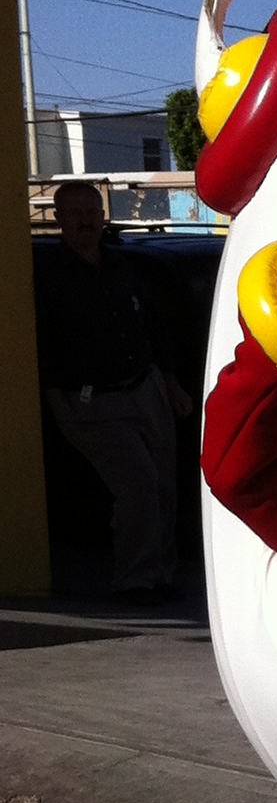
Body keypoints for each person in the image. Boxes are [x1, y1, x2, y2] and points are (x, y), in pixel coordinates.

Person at [34, 181, 188, 600]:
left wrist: (170, 383)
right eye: (75, 213)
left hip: (146, 388)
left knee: (163, 485)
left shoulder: (123, 266)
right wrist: (58, 406)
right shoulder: (46, 275)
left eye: (93, 212)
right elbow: (43, 345)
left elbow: (153, 327)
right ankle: (135, 581)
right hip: (91, 403)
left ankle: (161, 577)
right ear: (59, 218)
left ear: (103, 217)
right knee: (138, 483)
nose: (86, 220)